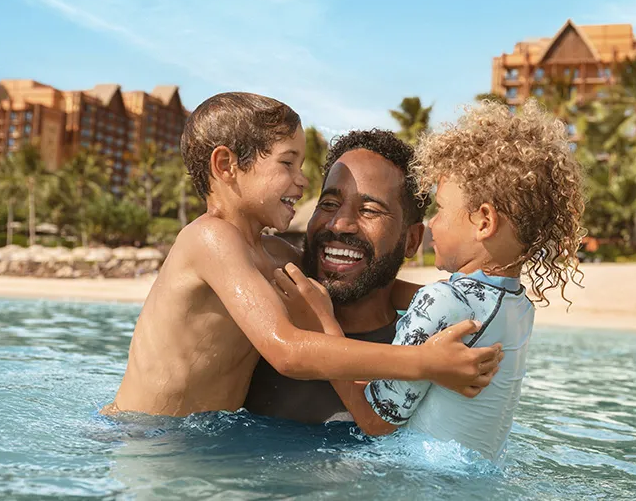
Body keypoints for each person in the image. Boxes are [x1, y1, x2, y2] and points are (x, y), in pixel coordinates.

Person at [103, 92, 500, 417]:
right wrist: (426, 364)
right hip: (141, 432)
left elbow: (363, 277)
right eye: (287, 163)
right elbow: (287, 350)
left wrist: (459, 305)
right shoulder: (209, 240)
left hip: (192, 442)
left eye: (303, 164)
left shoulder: (271, 253)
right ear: (226, 165)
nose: (303, 179)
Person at [280, 100, 585, 460]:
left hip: (416, 481)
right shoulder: (520, 308)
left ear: (484, 222)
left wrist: (321, 322)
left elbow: (377, 421)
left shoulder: (442, 302)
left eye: (441, 209)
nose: (433, 225)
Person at [245, 129, 501, 422]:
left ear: (412, 241)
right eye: (328, 204)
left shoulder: (441, 357)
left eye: (369, 210)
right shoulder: (263, 307)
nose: (340, 224)